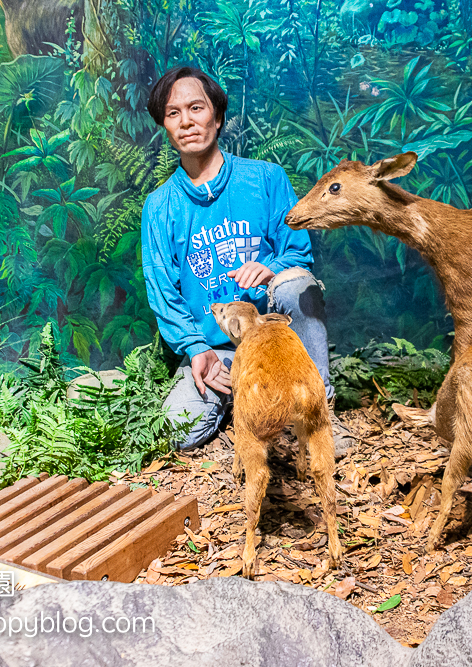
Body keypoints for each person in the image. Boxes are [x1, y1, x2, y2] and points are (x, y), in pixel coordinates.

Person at [141, 65, 354, 456]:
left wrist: (272, 268)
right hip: (219, 351)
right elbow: (162, 292)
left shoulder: (266, 179)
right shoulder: (159, 207)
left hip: (278, 334)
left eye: (197, 108)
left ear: (218, 117)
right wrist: (194, 349)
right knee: (177, 431)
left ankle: (318, 411)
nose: (187, 121)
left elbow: (299, 253)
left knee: (295, 282)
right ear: (165, 126)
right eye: (174, 113)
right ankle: (251, 397)